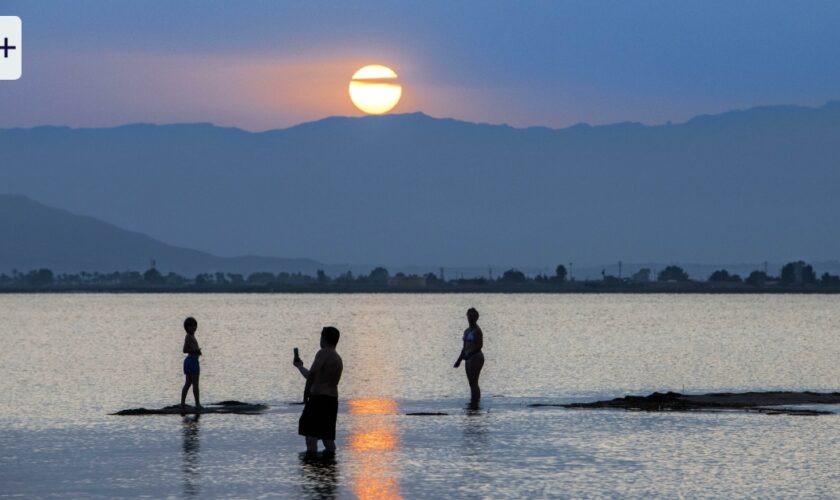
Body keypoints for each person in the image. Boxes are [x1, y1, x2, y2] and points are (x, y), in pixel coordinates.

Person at [294, 326, 343, 454]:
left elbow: (312, 375)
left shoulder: (323, 353)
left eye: (321, 336)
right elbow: (315, 377)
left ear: (324, 338)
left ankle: (312, 468)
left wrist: (305, 395)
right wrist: (300, 367)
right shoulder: (337, 358)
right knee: (327, 439)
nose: (320, 339)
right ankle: (329, 466)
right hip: (331, 401)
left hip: (319, 400)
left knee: (311, 438)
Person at [454, 307, 484, 403]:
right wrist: (459, 360)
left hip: (476, 357)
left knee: (474, 381)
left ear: (476, 318)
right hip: (468, 358)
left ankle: (476, 401)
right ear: (467, 316)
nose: (471, 318)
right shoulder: (466, 331)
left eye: (473, 316)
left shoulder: (477, 331)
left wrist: (470, 354)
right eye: (469, 316)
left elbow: (480, 345)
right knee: (471, 382)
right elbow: (464, 347)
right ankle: (473, 400)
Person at [180, 317, 202, 409]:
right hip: (191, 361)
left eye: (194, 326)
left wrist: (197, 351)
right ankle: (197, 404)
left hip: (192, 361)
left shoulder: (192, 336)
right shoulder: (188, 336)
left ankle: (183, 403)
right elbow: (184, 350)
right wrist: (195, 350)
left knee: (188, 383)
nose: (193, 328)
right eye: (191, 326)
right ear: (187, 327)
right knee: (195, 384)